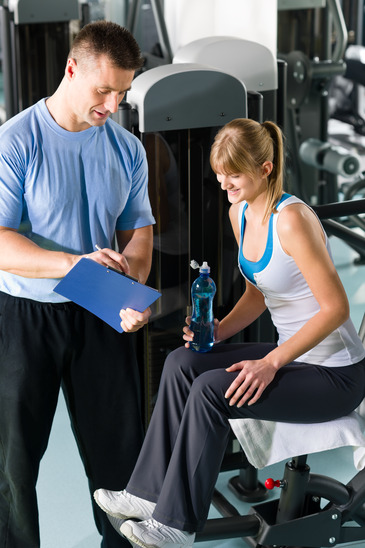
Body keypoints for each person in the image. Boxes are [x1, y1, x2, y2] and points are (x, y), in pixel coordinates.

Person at [94, 118, 365, 548]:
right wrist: (218, 330)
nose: (224, 184)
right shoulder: (239, 212)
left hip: (335, 374)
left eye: (233, 175)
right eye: (219, 174)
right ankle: (147, 494)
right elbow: (258, 295)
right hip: (293, 354)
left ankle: (176, 525)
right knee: (183, 362)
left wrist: (270, 362)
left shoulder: (292, 220)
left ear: (265, 168)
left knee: (210, 391)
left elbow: (336, 308)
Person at [0, 21, 155, 548]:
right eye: (103, 90)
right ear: (72, 70)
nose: (112, 105)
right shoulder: (16, 141)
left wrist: (132, 293)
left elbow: (138, 235)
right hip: (25, 314)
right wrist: (74, 265)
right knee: (13, 464)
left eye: (122, 93)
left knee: (121, 457)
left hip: (98, 306)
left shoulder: (127, 149)